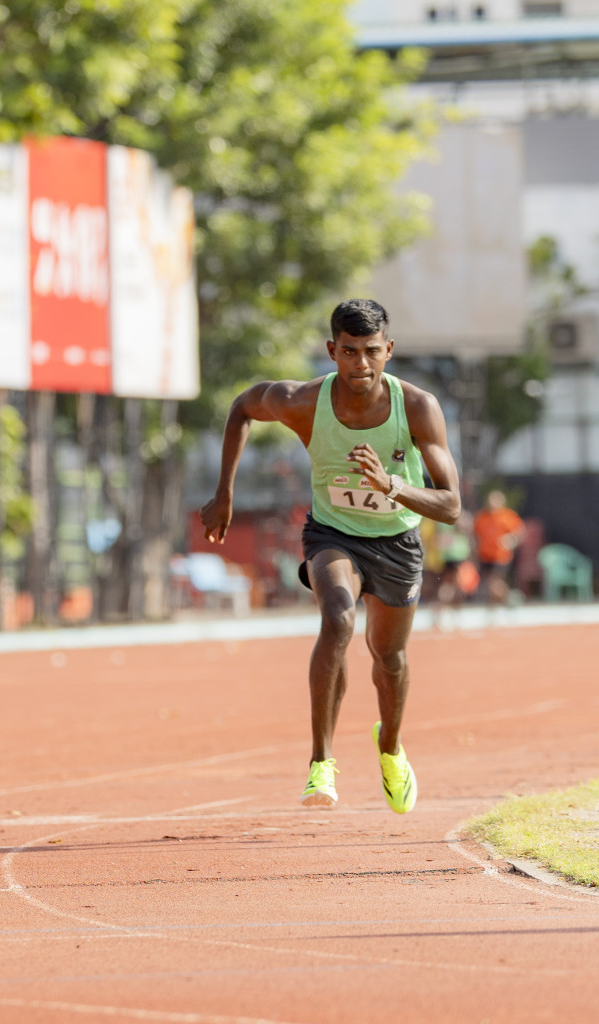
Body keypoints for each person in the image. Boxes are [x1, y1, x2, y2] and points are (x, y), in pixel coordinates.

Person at [199, 299, 461, 813]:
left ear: (388, 350)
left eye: (370, 352)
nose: (360, 364)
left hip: (397, 543)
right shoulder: (302, 401)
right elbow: (242, 408)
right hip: (333, 533)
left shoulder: (418, 407)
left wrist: (392, 485)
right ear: (331, 351)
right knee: (337, 620)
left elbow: (450, 505)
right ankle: (321, 764)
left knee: (389, 658)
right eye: (348, 352)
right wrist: (223, 492)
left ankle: (390, 746)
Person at [473, 490, 525, 608]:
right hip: (485, 555)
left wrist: (511, 540)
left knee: (493, 582)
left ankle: (510, 598)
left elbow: (519, 533)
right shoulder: (481, 517)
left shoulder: (508, 516)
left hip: (500, 555)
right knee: (490, 585)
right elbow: (476, 536)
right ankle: (496, 606)